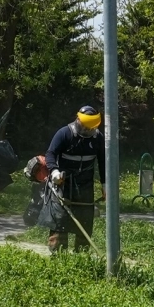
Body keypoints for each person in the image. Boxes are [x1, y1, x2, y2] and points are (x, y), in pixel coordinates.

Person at [43, 105, 106, 252]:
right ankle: (58, 254)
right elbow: (50, 154)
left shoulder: (98, 138)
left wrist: (105, 184)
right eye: (85, 127)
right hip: (63, 183)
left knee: (85, 220)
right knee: (60, 220)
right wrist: (54, 171)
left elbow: (103, 162)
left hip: (85, 184)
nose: (87, 131)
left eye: (90, 128)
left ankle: (81, 255)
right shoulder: (64, 133)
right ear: (78, 120)